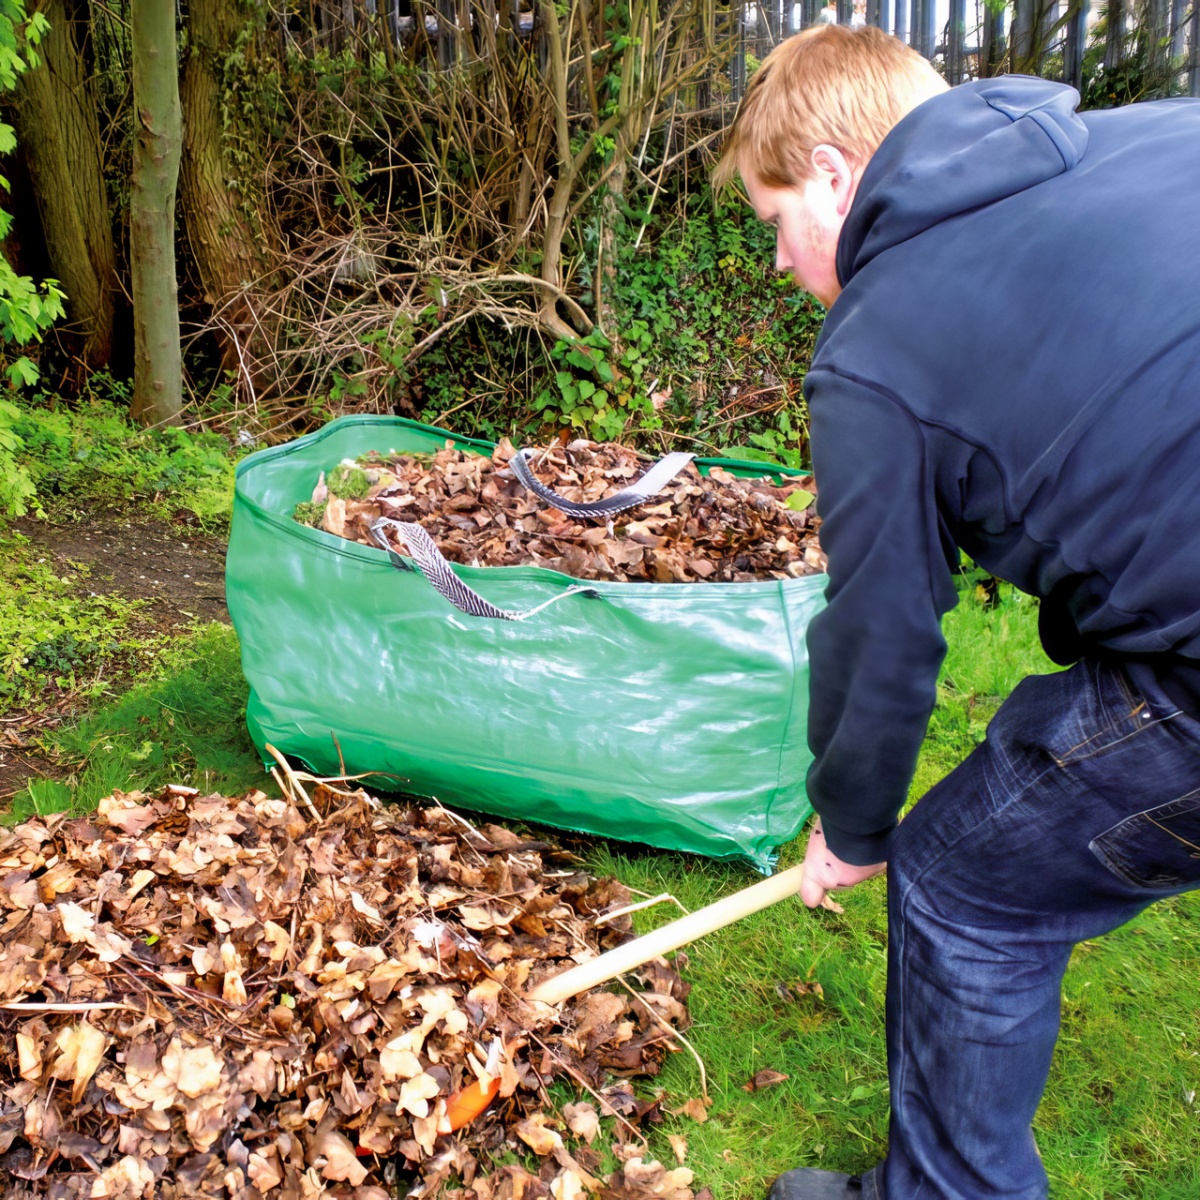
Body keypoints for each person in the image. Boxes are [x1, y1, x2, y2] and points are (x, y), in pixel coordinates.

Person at [714, 24, 1200, 1200]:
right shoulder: (1155, 138)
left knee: (963, 882)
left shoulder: (878, 348)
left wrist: (858, 826)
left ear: (835, 172)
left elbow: (882, 635)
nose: (782, 261)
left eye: (777, 221)